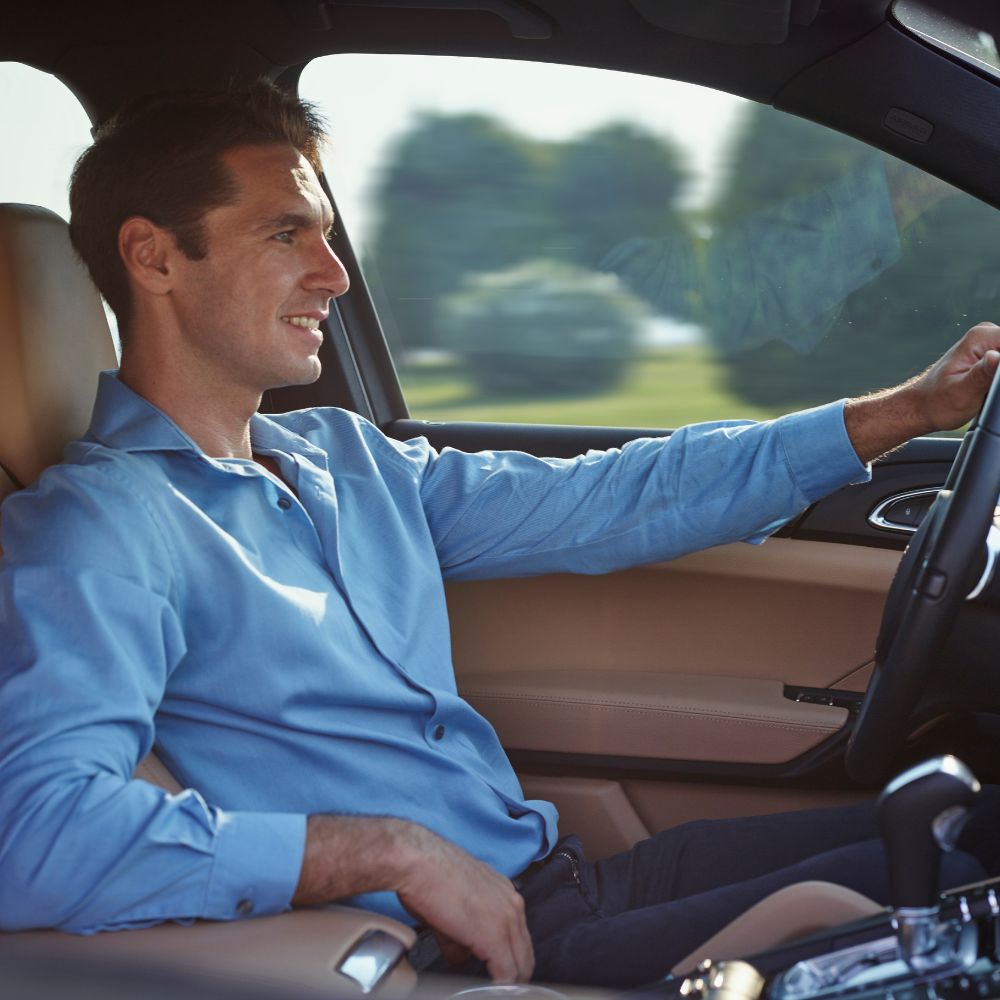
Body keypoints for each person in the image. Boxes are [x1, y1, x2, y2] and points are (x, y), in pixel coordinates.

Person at [1, 82, 999, 989]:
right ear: (154, 257)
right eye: (285, 233)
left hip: (565, 882)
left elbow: (610, 496)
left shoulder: (345, 459)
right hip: (479, 954)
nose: (333, 274)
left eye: (327, 235)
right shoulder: (99, 528)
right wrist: (386, 851)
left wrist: (909, 411)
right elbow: (34, 836)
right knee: (949, 894)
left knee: (973, 830)